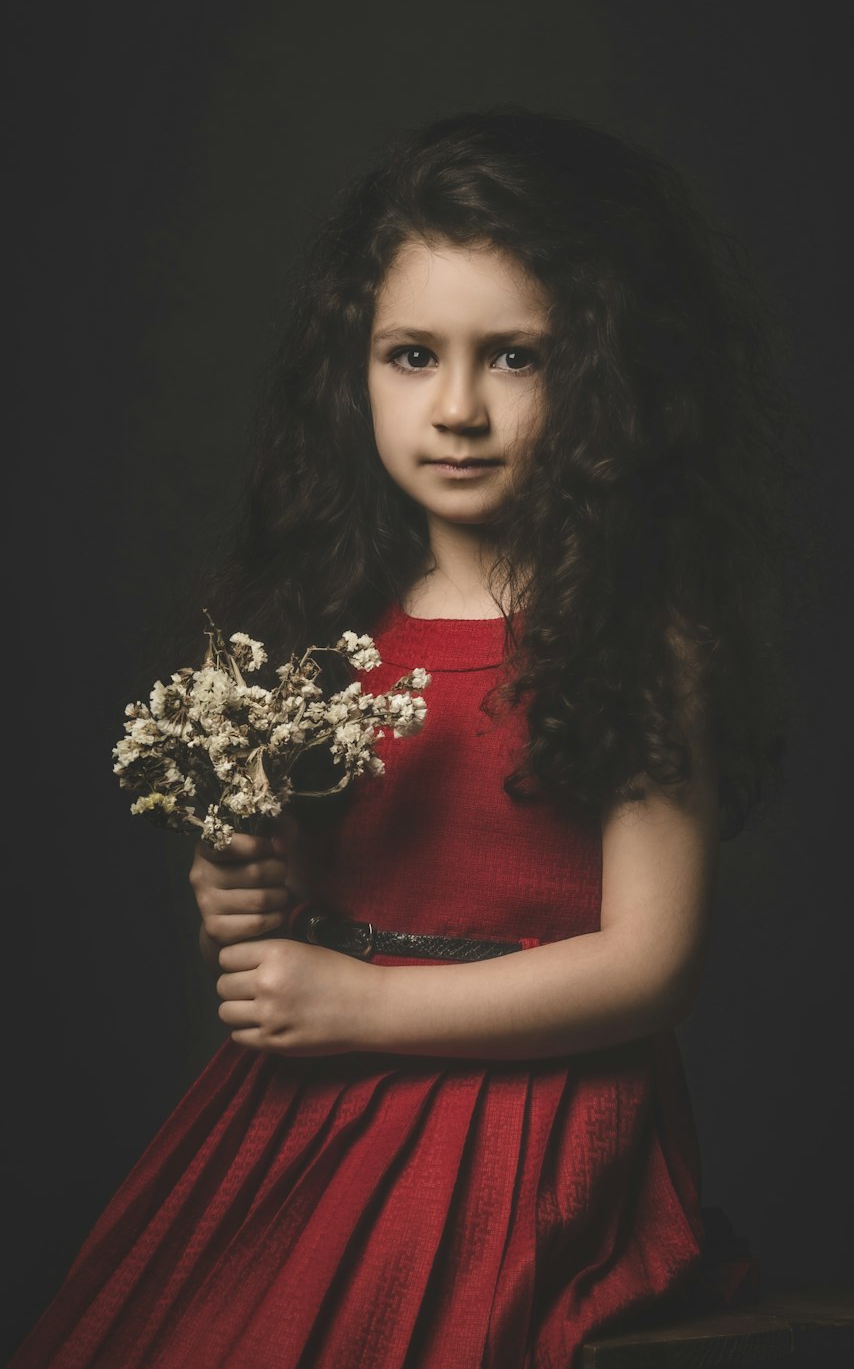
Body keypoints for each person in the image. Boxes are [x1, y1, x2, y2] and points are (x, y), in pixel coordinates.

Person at [13, 108, 796, 1368]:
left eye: (519, 359)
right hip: (316, 1089)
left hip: (531, 1113)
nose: (460, 409)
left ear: (601, 373)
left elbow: (651, 968)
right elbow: (334, 884)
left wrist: (367, 1004)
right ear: (354, 369)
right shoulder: (328, 618)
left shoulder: (635, 636)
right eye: (413, 356)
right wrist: (241, 885)